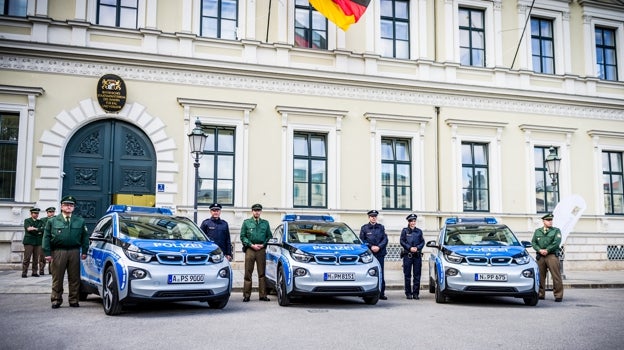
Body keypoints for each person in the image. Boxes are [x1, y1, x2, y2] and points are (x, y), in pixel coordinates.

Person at [43, 195, 89, 309]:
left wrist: (85, 251)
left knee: (74, 278)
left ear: (74, 207)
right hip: (59, 252)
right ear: (61, 206)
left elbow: (85, 237)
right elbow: (46, 237)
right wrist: (47, 253)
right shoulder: (52, 221)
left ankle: (73, 299)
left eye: (71, 205)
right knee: (57, 277)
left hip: (74, 251)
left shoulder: (80, 221)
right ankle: (56, 299)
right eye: (66, 205)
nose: (69, 207)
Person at [239, 203, 272, 302]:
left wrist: (263, 245)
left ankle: (263, 295)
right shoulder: (246, 223)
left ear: (260, 212)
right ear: (252, 211)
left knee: (262, 273)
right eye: (255, 210)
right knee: (248, 272)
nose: (257, 212)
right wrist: (251, 245)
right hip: (250, 249)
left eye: (258, 210)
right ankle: (246, 295)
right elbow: (243, 236)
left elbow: (269, 236)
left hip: (261, 249)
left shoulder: (265, 223)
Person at [531, 213, 564, 302]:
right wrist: (539, 250)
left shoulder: (556, 231)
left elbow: (556, 242)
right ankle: (541, 294)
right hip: (541, 256)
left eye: (551, 220)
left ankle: (558, 295)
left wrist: (547, 250)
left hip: (552, 255)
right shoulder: (538, 231)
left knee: (556, 276)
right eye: (548, 220)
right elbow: (533, 243)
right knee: (540, 276)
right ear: (543, 221)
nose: (550, 222)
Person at [360, 209, 388, 300]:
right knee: (369, 272)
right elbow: (362, 241)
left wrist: (379, 247)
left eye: (375, 216)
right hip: (369, 254)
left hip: (380, 253)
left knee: (380, 272)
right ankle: (368, 292)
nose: (374, 218)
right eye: (372, 216)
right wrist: (371, 247)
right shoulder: (364, 228)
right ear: (369, 217)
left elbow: (385, 239)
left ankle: (381, 293)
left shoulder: (381, 227)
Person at [400, 213, 425, 300]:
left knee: (417, 275)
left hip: (417, 256)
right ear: (408, 222)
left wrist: (417, 248)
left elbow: (422, 242)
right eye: (411, 221)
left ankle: (416, 293)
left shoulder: (419, 231)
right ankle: (408, 293)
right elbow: (402, 241)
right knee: (407, 275)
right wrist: (409, 248)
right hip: (408, 255)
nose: (413, 223)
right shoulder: (405, 231)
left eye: (414, 221)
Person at [22, 207, 44, 278]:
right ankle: (24, 272)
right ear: (31, 214)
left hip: (38, 242)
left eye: (37, 213)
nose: (36, 214)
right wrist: (38, 230)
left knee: (36, 258)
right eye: (35, 213)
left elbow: (43, 229)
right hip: (29, 242)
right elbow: (28, 229)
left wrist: (34, 228)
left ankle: (34, 272)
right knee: (27, 258)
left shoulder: (40, 221)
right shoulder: (27, 220)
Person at [38, 207, 56, 275]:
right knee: (42, 257)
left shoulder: (56, 219)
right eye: (50, 212)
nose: (51, 213)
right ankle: (41, 270)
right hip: (44, 240)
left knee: (52, 257)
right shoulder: (43, 220)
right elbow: (40, 229)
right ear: (47, 213)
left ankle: (51, 270)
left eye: (53, 212)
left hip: (53, 241)